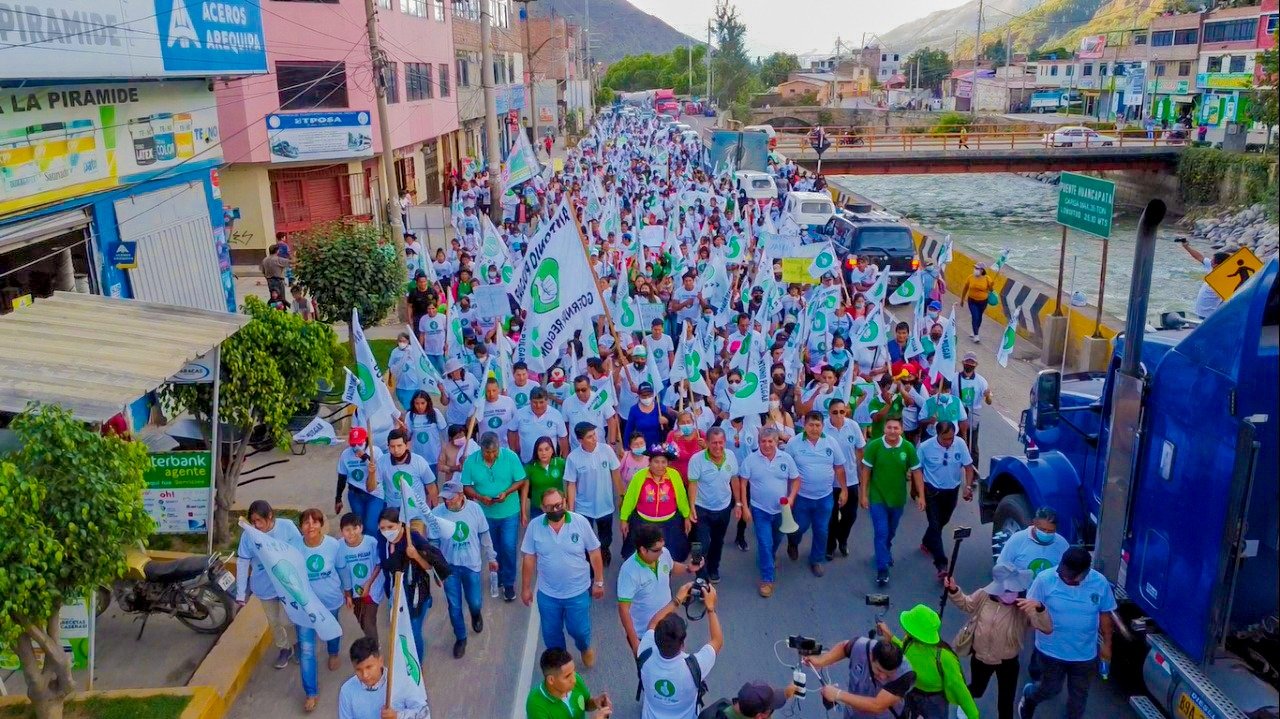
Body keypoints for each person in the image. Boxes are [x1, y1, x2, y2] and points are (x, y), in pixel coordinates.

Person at [1019, 547, 1115, 719]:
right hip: (1051, 652)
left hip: (1084, 655)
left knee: (1078, 699)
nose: (1065, 577)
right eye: (1063, 572)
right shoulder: (1044, 580)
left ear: (1085, 573)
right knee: (1049, 690)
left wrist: (1107, 645)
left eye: (1071, 576)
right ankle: (1030, 696)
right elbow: (1029, 611)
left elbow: (1105, 614)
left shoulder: (1100, 583)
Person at [946, 564, 1052, 719]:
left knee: (1006, 700)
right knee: (976, 688)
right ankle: (965, 704)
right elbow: (966, 604)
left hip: (1008, 662)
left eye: (1014, 590)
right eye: (1007, 590)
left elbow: (1046, 628)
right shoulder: (983, 595)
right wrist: (954, 590)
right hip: (980, 657)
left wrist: (1039, 609)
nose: (1012, 594)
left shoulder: (1024, 606)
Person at [520, 487, 606, 668]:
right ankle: (563, 668)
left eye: (558, 504)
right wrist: (526, 588)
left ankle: (584, 648)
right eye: (550, 507)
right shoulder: (535, 526)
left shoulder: (580, 522)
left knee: (579, 631)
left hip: (577, 592)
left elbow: (594, 552)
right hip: (548, 594)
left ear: (565, 502)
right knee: (551, 637)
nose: (555, 509)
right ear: (543, 508)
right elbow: (528, 558)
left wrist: (598, 581)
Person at [428, 480, 495, 659]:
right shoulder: (437, 514)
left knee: (474, 601)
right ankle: (461, 637)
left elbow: (484, 534)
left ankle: (475, 614)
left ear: (461, 495)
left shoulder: (475, 509)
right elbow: (433, 543)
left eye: (451, 498)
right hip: (449, 567)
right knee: (454, 605)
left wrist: (491, 557)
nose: (447, 501)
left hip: (471, 564)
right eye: (445, 498)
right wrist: (437, 569)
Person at [636, 582, 723, 719]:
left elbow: (652, 623)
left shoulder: (645, 651)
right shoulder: (694, 666)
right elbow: (717, 641)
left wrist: (676, 601)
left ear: (656, 639)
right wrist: (711, 608)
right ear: (682, 644)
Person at [235, 499, 303, 669]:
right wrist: (240, 593)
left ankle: (297, 644)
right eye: (253, 521)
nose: (256, 525)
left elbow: (299, 551)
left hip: (287, 584)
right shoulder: (248, 535)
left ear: (270, 516)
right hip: (264, 587)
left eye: (259, 520)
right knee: (273, 621)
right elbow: (243, 563)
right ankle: (284, 648)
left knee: (288, 619)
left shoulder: (286, 527)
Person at [377, 507, 450, 665]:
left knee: (414, 632)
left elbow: (429, 566)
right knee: (400, 632)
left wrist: (415, 555)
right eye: (382, 528)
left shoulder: (413, 538)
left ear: (401, 525)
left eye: (390, 527)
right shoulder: (382, 541)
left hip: (415, 594)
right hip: (395, 594)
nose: (386, 531)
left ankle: (418, 665)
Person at [616, 523, 703, 654]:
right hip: (644, 633)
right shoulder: (628, 571)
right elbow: (623, 609)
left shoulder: (663, 554)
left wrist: (688, 568)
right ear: (643, 549)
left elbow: (672, 566)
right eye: (656, 550)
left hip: (668, 625)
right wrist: (635, 643)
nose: (661, 552)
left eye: (662, 547)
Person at [461, 432, 528, 602]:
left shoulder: (510, 457)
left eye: (494, 451)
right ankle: (496, 574)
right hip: (485, 515)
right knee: (493, 548)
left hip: (509, 512)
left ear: (499, 446)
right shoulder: (471, 462)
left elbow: (520, 480)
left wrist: (507, 492)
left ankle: (508, 583)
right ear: (481, 448)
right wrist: (480, 496)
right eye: (487, 452)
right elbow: (466, 486)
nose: (491, 455)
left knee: (508, 547)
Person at [783, 410, 849, 577]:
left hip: (825, 497)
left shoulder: (831, 442)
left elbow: (839, 468)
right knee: (799, 528)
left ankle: (816, 560)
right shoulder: (794, 443)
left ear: (823, 425)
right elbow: (786, 469)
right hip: (802, 497)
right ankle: (793, 543)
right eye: (810, 425)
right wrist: (787, 496)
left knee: (821, 530)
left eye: (817, 425)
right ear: (804, 425)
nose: (814, 428)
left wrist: (844, 490)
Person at [860, 418, 924, 586]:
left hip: (897, 498)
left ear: (901, 430)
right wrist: (864, 494)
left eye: (896, 428)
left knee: (890, 532)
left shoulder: (908, 448)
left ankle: (885, 551)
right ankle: (882, 569)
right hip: (877, 497)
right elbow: (866, 471)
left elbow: (916, 472)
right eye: (889, 427)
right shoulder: (874, 446)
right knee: (881, 531)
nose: (892, 431)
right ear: (884, 429)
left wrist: (921, 496)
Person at [884, 605, 979, 719]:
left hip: (934, 702)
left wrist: (973, 715)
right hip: (910, 692)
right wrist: (891, 637)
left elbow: (958, 687)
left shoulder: (945, 657)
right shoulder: (909, 641)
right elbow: (903, 649)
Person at [738, 427, 801, 598]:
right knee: (765, 543)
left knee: (775, 540)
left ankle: (769, 557)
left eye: (770, 441)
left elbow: (795, 480)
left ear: (777, 442)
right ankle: (767, 579)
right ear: (759, 442)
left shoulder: (786, 459)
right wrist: (744, 506)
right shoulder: (750, 460)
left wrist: (792, 497)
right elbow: (743, 483)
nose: (766, 445)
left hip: (782, 511)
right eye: (763, 441)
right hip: (760, 510)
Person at [298, 508, 346, 712]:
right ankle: (311, 692)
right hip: (304, 607)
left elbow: (342, 570)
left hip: (330, 601)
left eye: (315, 522)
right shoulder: (293, 548)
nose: (311, 527)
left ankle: (333, 652)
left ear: (321, 525)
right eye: (306, 523)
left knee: (331, 631)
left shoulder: (333, 546)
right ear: (300, 527)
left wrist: (349, 592)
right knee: (306, 650)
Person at [803, 632, 914, 718]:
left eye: (888, 674)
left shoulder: (905, 675)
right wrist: (821, 661)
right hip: (853, 714)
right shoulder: (860, 645)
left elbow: (877, 705)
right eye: (879, 670)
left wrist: (838, 694)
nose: (883, 677)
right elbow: (844, 647)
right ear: (870, 656)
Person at [917, 421, 976, 577]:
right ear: (937, 435)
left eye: (951, 438)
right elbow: (917, 470)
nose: (949, 442)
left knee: (942, 521)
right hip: (932, 492)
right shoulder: (925, 447)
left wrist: (968, 487)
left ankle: (927, 541)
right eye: (945, 439)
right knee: (935, 525)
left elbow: (969, 467)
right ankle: (941, 564)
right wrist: (920, 495)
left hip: (951, 491)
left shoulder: (960, 444)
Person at [686, 427, 741, 583]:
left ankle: (713, 568)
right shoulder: (697, 459)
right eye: (714, 443)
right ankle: (699, 575)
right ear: (707, 443)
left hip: (723, 508)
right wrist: (691, 508)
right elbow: (693, 484)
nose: (718, 447)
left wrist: (738, 503)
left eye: (721, 443)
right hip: (701, 508)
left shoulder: (730, 456)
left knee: (718, 541)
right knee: (699, 544)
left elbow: (734, 479)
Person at [620, 445, 693, 561]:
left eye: (663, 462)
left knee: (669, 558)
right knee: (641, 556)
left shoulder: (674, 475)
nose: (660, 466)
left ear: (668, 463)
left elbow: (681, 497)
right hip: (643, 523)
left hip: (669, 524)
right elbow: (630, 498)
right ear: (649, 462)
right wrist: (624, 518)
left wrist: (686, 516)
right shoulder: (640, 476)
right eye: (656, 462)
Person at [565, 423, 624, 566]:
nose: (594, 438)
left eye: (594, 434)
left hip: (605, 504)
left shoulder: (606, 450)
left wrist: (622, 496)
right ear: (580, 440)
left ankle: (604, 550)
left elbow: (615, 473)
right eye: (589, 437)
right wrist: (571, 510)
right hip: (584, 507)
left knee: (606, 536)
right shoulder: (573, 458)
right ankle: (589, 560)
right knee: (586, 537)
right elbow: (571, 484)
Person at [337, 637, 430, 719]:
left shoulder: (402, 682)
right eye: (358, 670)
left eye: (369, 667)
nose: (365, 675)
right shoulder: (347, 691)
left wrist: (398, 716)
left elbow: (424, 714)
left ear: (380, 661)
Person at [824, 399, 865, 560]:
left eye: (842, 412)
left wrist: (862, 478)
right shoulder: (824, 429)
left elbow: (860, 451)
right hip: (831, 482)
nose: (839, 415)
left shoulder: (853, 426)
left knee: (850, 516)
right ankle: (830, 546)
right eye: (835, 412)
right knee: (832, 517)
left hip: (851, 479)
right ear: (829, 413)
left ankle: (843, 539)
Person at [526, 647, 614, 719]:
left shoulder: (576, 679)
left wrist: (595, 702)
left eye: (573, 671)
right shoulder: (535, 705)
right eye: (567, 676)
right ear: (551, 680)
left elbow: (585, 704)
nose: (574, 679)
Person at [378, 429, 437, 524]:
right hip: (393, 514)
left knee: (417, 538)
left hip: (416, 512)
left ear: (406, 445)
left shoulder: (419, 461)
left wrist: (433, 511)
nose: (396, 450)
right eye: (392, 446)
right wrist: (372, 473)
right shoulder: (382, 461)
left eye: (399, 445)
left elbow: (431, 487)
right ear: (388, 447)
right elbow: (372, 487)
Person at [337, 512, 381, 641]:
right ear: (341, 531)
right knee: (361, 619)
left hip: (372, 589)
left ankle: (375, 650)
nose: (352, 533)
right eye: (347, 530)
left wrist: (368, 584)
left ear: (361, 528)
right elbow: (342, 572)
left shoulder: (371, 542)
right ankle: (372, 640)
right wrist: (348, 594)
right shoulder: (338, 547)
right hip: (355, 590)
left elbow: (378, 565)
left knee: (368, 621)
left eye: (355, 528)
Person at [335, 428, 384, 539]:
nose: (356, 446)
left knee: (371, 527)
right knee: (359, 527)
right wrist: (338, 499)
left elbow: (381, 471)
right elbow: (342, 477)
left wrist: (365, 457)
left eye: (359, 443)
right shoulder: (345, 454)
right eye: (353, 444)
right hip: (355, 494)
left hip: (374, 494)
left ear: (366, 440)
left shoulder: (375, 451)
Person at [996, 507, 1069, 578]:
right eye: (1043, 529)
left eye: (1050, 531)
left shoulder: (1062, 544)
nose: (1046, 533)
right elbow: (1002, 564)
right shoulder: (1017, 539)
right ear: (1034, 523)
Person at [1176, 238, 1230, 319]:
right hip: (1200, 312)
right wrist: (1186, 247)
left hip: (1210, 315)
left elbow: (1227, 298)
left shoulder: (1227, 278)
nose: (1210, 261)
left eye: (1213, 261)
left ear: (1218, 265)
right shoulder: (1211, 267)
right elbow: (1199, 257)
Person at [954, 352, 992, 466]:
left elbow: (989, 402)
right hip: (956, 415)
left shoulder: (981, 381)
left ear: (976, 364)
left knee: (973, 445)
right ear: (963, 362)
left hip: (973, 416)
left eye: (972, 362)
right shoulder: (954, 378)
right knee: (954, 442)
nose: (969, 364)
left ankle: (974, 475)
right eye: (968, 361)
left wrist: (987, 396)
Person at [511, 387, 569, 461]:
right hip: (526, 461)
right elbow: (511, 431)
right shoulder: (520, 413)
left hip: (550, 464)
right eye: (535, 402)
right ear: (530, 401)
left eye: (541, 402)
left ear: (547, 401)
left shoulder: (556, 414)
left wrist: (564, 459)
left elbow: (563, 438)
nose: (538, 406)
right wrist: (513, 452)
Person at [524, 436, 567, 524]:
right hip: (537, 508)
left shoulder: (561, 463)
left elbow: (571, 483)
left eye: (547, 449)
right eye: (540, 450)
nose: (544, 453)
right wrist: (523, 512)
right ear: (536, 451)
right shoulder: (530, 467)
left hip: (557, 508)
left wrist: (568, 504)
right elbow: (524, 492)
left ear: (552, 450)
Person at [958, 264, 995, 342]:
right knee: (975, 316)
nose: (975, 269)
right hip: (972, 301)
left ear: (982, 270)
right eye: (975, 268)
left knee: (979, 317)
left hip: (983, 302)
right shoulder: (970, 277)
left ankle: (975, 330)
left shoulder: (987, 279)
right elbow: (965, 288)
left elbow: (991, 290)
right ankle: (976, 335)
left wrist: (991, 286)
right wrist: (962, 299)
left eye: (977, 268)